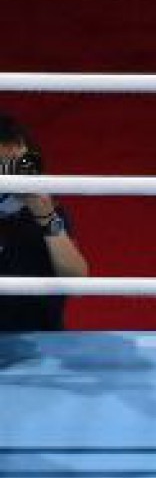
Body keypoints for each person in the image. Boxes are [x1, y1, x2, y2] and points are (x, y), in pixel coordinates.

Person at [0, 115, 90, 332]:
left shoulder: (48, 210)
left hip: (43, 336)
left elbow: (77, 281)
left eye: (20, 162)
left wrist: (47, 219)